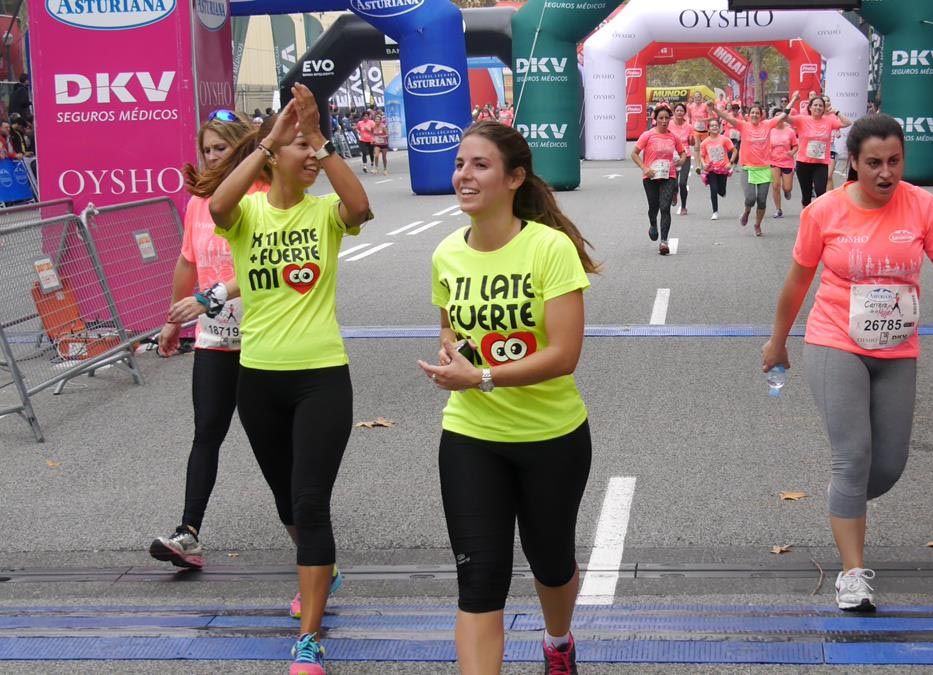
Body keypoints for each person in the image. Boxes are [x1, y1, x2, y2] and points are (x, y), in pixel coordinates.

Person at [762, 114, 933, 611]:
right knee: (853, 457)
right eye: (873, 163)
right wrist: (778, 342)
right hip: (836, 340)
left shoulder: (921, 206)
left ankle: (845, 494)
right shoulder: (825, 212)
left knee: (888, 466)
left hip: (898, 347)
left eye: (894, 162)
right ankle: (852, 574)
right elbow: (797, 283)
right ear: (853, 163)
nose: (885, 173)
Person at [417, 120, 598, 675]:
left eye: (480, 165)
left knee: (550, 562)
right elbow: (452, 329)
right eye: (458, 165)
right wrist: (455, 356)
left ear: (515, 177)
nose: (463, 176)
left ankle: (558, 640)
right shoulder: (447, 254)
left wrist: (484, 377)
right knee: (479, 579)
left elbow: (564, 354)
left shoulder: (550, 249)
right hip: (472, 437)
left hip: (552, 437)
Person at [207, 84, 372, 674]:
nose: (309, 157)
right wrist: (269, 140)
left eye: (314, 149)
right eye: (298, 149)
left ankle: (308, 637)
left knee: (311, 501)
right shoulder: (248, 213)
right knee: (287, 503)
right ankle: (318, 569)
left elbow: (359, 209)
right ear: (275, 156)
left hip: (321, 377)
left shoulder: (323, 213)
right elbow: (217, 208)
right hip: (259, 380)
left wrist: (322, 140)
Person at [148, 111, 267, 571]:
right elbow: (187, 262)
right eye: (207, 150)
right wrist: (172, 319)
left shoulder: (263, 195)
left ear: (242, 148)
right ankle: (188, 533)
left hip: (262, 338)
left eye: (222, 148)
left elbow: (264, 268)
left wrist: (209, 297)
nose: (213, 157)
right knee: (207, 433)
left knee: (271, 444)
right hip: (215, 338)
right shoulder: (199, 201)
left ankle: (309, 538)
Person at [709, 101, 785, 236]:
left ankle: (757, 224)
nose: (755, 115)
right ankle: (747, 211)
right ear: (748, 115)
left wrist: (795, 99)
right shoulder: (743, 126)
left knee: (761, 200)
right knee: (750, 198)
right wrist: (714, 108)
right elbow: (727, 118)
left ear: (762, 115)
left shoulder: (767, 125)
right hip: (748, 168)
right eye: (752, 113)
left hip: (764, 168)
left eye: (757, 113)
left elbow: (783, 115)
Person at [631, 104, 685, 255]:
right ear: (655, 119)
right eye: (661, 118)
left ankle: (664, 242)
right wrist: (645, 168)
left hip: (669, 176)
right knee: (653, 207)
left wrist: (681, 160)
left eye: (667, 118)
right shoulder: (647, 135)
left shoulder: (673, 136)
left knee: (665, 207)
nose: (664, 121)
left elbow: (683, 153)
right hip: (651, 177)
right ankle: (653, 224)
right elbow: (634, 153)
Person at [787, 90, 851, 209]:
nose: (818, 107)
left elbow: (847, 123)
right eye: (815, 105)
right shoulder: (802, 119)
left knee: (821, 192)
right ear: (810, 108)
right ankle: (806, 220)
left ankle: (818, 219)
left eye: (820, 105)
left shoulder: (829, 121)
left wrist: (836, 112)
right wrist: (794, 100)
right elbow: (784, 116)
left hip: (820, 164)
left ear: (824, 108)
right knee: (806, 197)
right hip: (803, 163)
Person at [697, 118, 737, 220]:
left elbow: (734, 151)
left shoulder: (724, 139)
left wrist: (730, 162)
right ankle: (715, 211)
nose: (714, 127)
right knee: (713, 190)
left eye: (716, 125)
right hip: (711, 169)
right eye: (712, 126)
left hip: (723, 168)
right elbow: (701, 156)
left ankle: (722, 191)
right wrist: (704, 164)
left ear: (719, 128)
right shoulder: (705, 143)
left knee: (722, 191)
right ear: (708, 129)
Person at [768, 116, 798, 218]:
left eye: (782, 117)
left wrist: (792, 152)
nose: (780, 119)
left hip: (787, 161)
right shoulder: (770, 131)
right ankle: (778, 209)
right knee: (776, 186)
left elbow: (795, 145)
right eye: (777, 117)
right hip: (774, 161)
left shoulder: (790, 131)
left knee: (787, 187)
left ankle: (787, 192)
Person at [668, 103, 694, 216]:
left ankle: (683, 206)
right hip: (672, 156)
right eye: (677, 110)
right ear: (674, 112)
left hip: (685, 156)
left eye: (681, 111)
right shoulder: (669, 124)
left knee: (682, 183)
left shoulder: (689, 126)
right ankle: (674, 192)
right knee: (673, 182)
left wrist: (692, 138)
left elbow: (692, 143)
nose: (679, 112)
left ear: (684, 113)